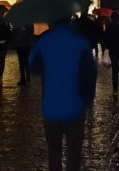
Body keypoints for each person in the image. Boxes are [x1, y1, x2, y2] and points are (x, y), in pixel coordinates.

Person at [30, 18, 97, 171]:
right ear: (70, 22)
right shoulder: (80, 42)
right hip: (75, 106)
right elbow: (91, 73)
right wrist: (87, 99)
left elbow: (33, 67)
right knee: (74, 153)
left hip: (50, 107)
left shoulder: (45, 40)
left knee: (54, 153)